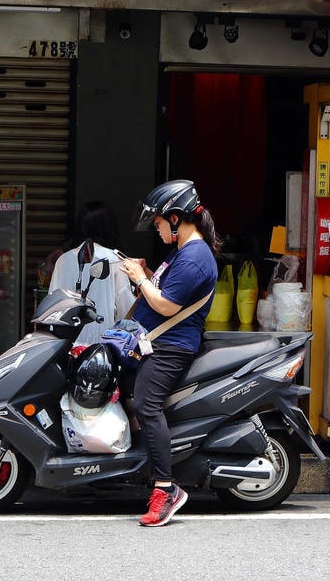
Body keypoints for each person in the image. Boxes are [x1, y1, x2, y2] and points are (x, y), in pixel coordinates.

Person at [118, 179, 219, 527]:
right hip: (155, 341)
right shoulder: (183, 252)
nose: (156, 229)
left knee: (147, 405)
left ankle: (166, 488)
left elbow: (166, 305)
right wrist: (146, 273)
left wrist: (139, 278)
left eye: (159, 223)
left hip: (170, 347)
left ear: (176, 219)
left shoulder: (194, 257)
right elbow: (166, 289)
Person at [48, 201, 136, 346]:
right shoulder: (114, 260)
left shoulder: (63, 260)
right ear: (109, 227)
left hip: (65, 345)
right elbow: (125, 309)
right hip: (101, 345)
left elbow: (52, 305)